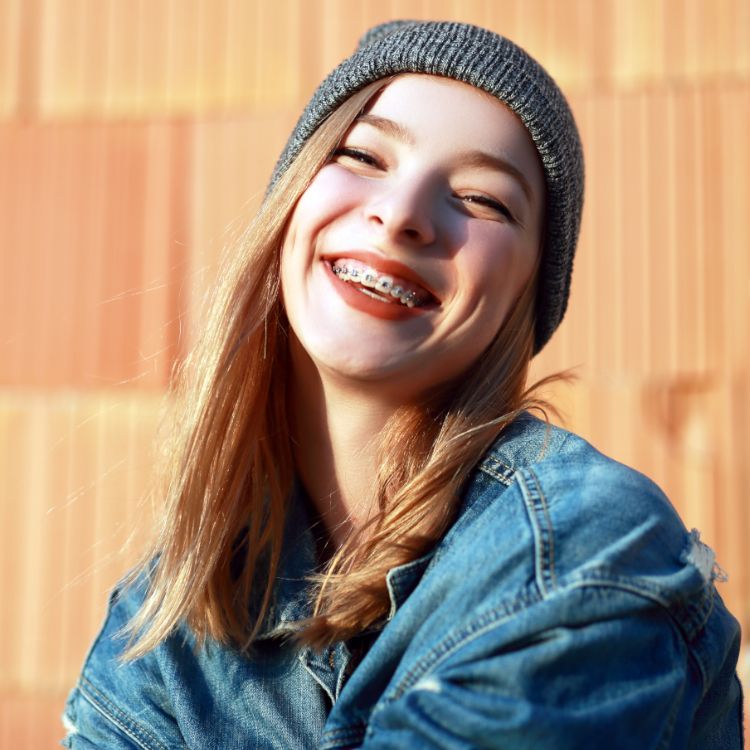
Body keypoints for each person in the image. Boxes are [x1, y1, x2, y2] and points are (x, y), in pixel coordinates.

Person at [61, 20, 743, 750]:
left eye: (484, 200)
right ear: (292, 200)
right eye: (362, 154)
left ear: (524, 298)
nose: (403, 214)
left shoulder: (580, 545)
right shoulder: (165, 620)